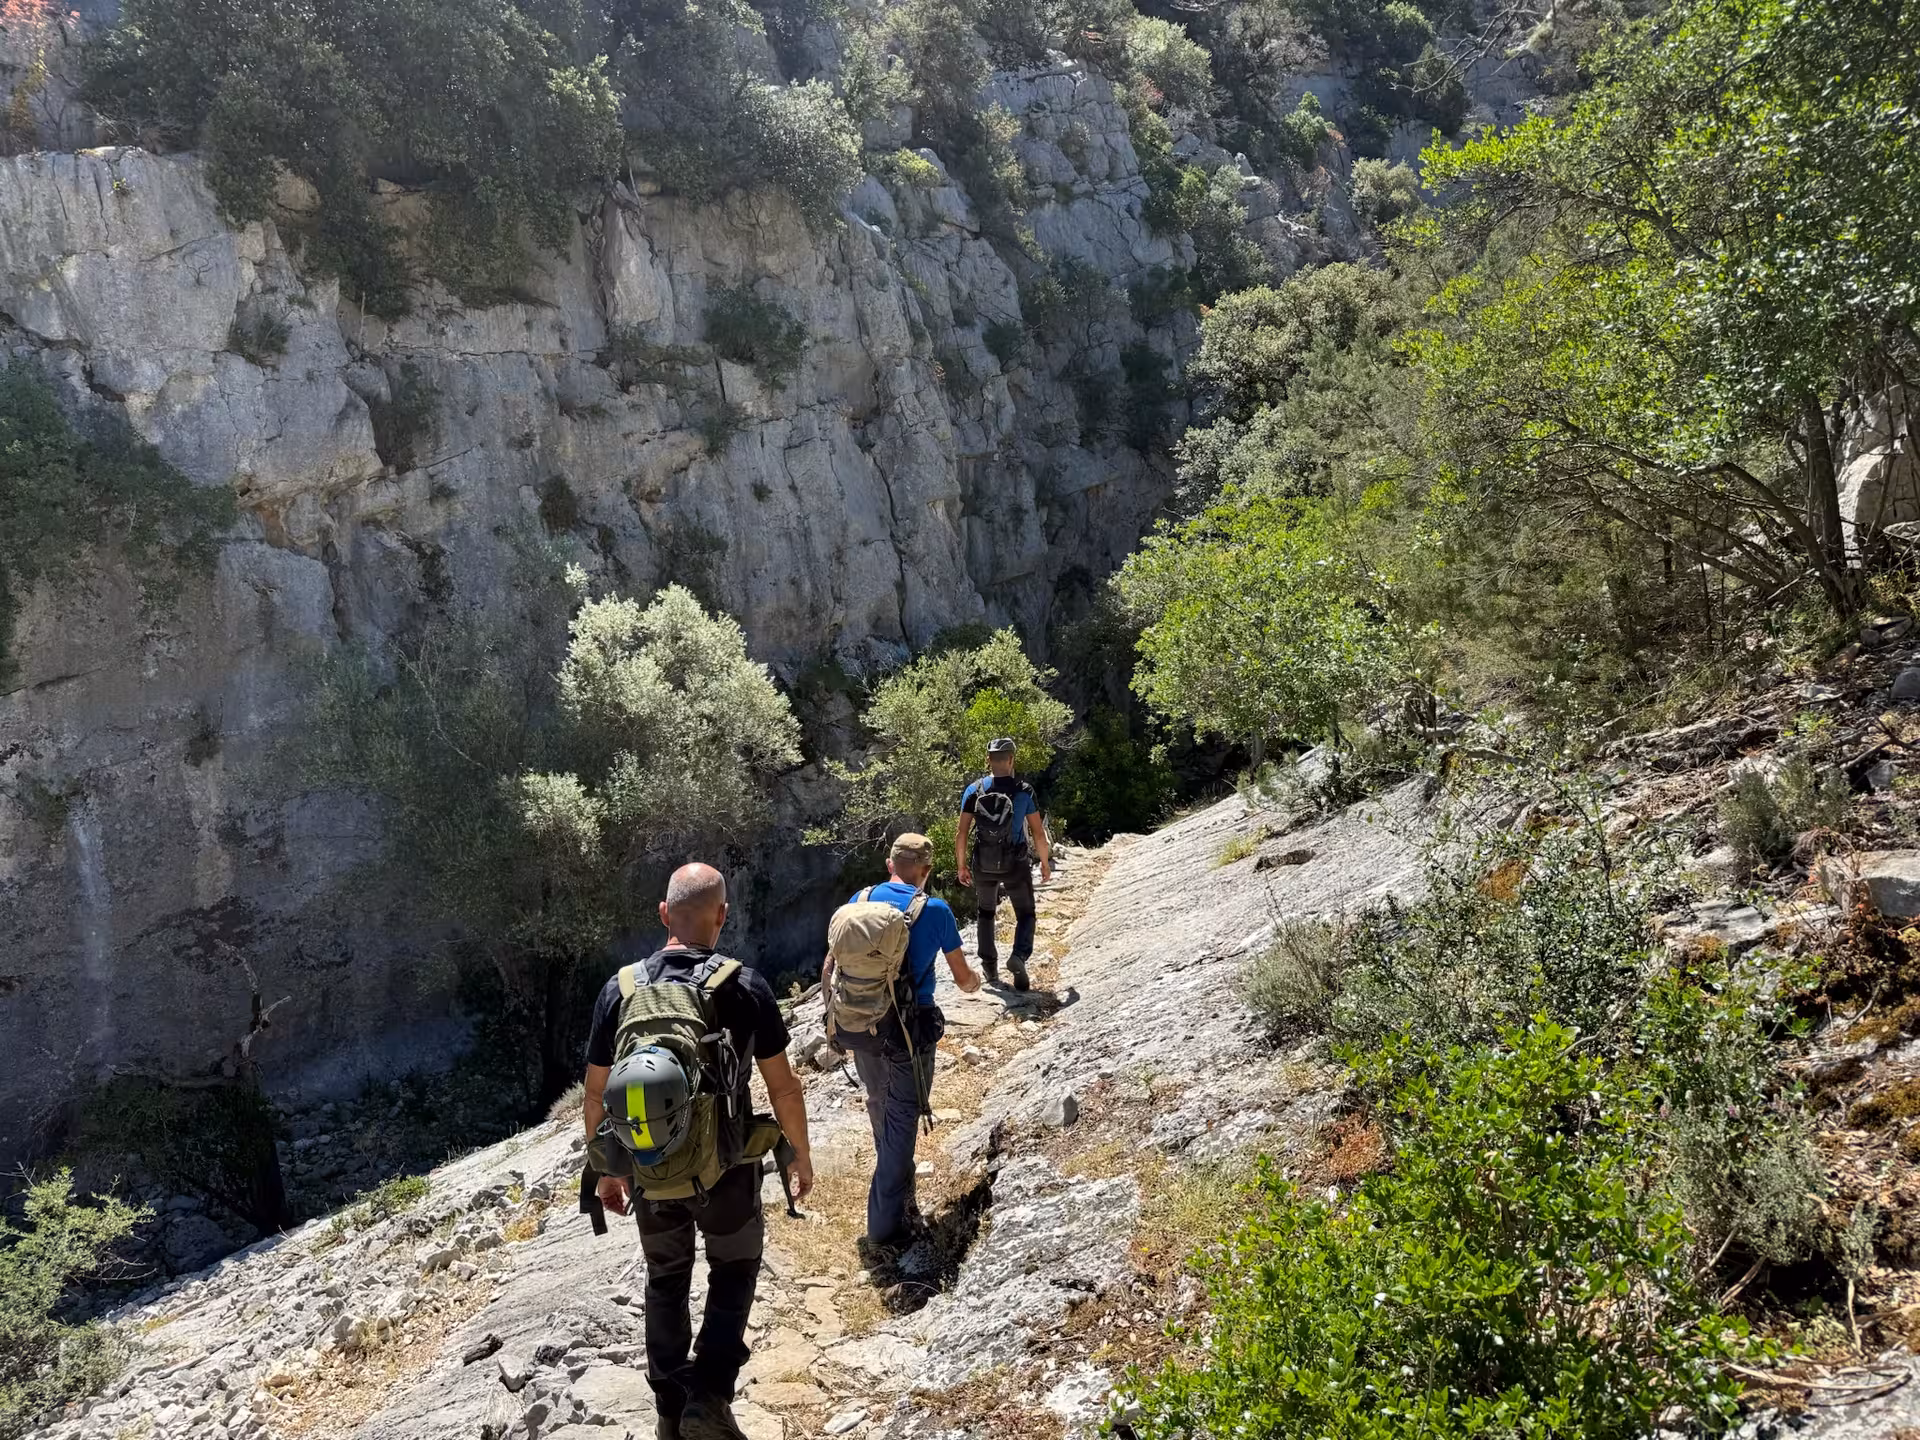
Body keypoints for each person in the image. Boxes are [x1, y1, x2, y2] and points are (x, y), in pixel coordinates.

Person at [582, 864, 815, 1440]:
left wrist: (606, 1171)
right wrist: (798, 1157)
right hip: (730, 1168)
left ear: (664, 914)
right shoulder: (745, 985)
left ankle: (669, 1408)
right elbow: (783, 1086)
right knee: (734, 1270)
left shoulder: (622, 989)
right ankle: (708, 1396)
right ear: (722, 915)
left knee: (665, 1278)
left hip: (651, 1169)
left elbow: (594, 1091)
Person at [827, 833, 979, 1255]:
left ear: (890, 864)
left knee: (880, 1103)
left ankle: (899, 1196)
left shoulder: (858, 901)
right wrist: (974, 984)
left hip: (860, 1023)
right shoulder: (934, 909)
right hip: (908, 1031)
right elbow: (963, 976)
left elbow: (834, 963)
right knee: (903, 1117)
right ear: (926, 870)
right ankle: (884, 1226)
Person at [954, 737, 1053, 990]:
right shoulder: (1024, 790)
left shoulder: (974, 790)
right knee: (1026, 913)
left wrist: (961, 866)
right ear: (1011, 760)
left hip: (983, 863)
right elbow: (1038, 833)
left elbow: (962, 833)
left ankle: (989, 968)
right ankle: (1018, 957)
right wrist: (1044, 862)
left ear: (988, 760)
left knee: (986, 912)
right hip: (1015, 864)